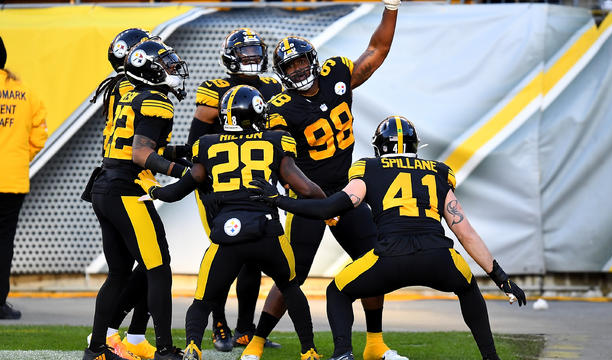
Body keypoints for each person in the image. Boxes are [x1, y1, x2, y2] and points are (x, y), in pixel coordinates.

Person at [249, 116, 528, 360]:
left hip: (389, 258)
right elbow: (465, 232)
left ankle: (342, 353)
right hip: (438, 258)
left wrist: (278, 200)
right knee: (468, 288)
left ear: (378, 146)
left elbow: (329, 207)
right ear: (415, 145)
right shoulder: (438, 172)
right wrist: (502, 279)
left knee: (337, 290)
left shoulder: (368, 169)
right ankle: (491, 357)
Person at [244, 1, 404, 359]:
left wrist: (391, 7)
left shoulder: (336, 74)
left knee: (370, 258)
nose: (299, 68)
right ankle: (254, 345)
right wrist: (320, 203)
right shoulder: (281, 108)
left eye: (302, 61)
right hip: (307, 196)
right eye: (291, 65)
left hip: (343, 190)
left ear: (313, 60)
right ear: (282, 73)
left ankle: (375, 344)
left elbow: (378, 49)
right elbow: (285, 166)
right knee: (293, 274)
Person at [134, 85, 325, 360]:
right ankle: (309, 350)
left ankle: (193, 347)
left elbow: (179, 191)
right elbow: (306, 189)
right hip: (267, 232)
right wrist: (330, 206)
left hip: (226, 236)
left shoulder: (208, 145)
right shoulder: (276, 140)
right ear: (259, 112)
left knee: (202, 301)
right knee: (291, 288)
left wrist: (153, 191)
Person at [84, 39, 189, 360]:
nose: (173, 71)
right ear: (152, 71)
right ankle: (165, 350)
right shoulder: (156, 100)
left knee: (120, 273)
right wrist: (183, 172)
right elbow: (142, 153)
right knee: (158, 268)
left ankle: (97, 349)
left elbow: (136, 147)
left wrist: (183, 153)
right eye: (168, 66)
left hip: (105, 184)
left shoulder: (132, 96)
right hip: (127, 190)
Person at [186, 27, 283, 352]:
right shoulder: (214, 89)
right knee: (226, 252)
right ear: (231, 57)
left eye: (257, 51)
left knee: (253, 257)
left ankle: (245, 329)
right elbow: (195, 144)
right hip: (220, 187)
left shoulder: (271, 86)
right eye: (246, 52)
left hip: (255, 184)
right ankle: (218, 324)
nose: (253, 57)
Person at [85, 28, 160, 360]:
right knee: (153, 263)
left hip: (117, 178)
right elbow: (138, 146)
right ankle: (115, 335)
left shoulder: (120, 88)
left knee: (138, 265)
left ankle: (122, 336)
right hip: (128, 182)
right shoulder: (135, 89)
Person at [0, 35, 48, 320]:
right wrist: (19, 157)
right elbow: (39, 136)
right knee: (4, 241)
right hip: (12, 178)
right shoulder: (25, 92)